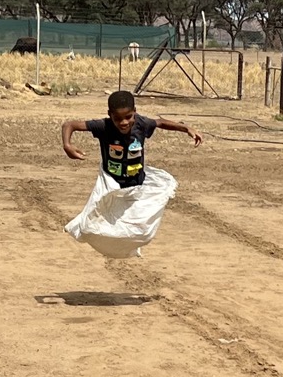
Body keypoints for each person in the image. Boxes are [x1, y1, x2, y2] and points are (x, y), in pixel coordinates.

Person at [60, 90, 202, 257]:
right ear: (110, 115)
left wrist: (186, 128)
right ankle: (90, 235)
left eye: (128, 117)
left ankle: (129, 248)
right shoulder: (103, 126)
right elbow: (69, 125)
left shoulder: (141, 124)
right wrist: (67, 145)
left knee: (141, 230)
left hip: (136, 184)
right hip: (111, 183)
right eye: (118, 118)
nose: (124, 122)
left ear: (135, 111)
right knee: (92, 225)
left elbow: (160, 122)